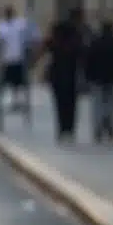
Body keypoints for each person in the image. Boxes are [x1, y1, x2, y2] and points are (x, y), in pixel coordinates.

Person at [37, 9, 85, 143]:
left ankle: (62, 129)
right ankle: (69, 129)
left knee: (59, 104)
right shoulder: (76, 38)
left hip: (56, 75)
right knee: (71, 103)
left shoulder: (55, 40)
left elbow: (43, 49)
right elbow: (83, 55)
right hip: (71, 75)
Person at [84, 19, 113, 143]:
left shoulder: (94, 43)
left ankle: (97, 128)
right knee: (111, 104)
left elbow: (88, 61)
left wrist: (87, 76)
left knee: (97, 103)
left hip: (96, 78)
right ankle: (110, 125)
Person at [0, 5, 32, 111]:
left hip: (18, 58)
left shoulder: (20, 24)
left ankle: (19, 102)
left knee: (19, 83)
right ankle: (0, 103)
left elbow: (26, 40)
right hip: (6, 59)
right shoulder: (1, 26)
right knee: (4, 82)